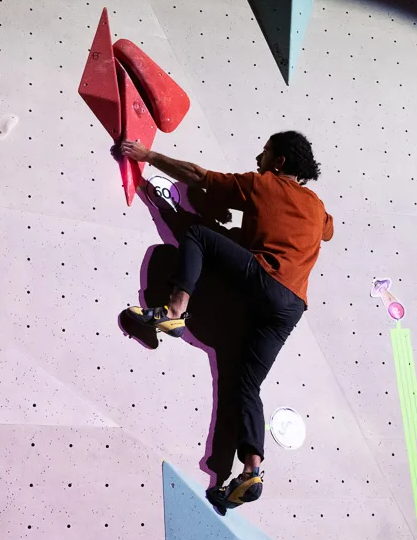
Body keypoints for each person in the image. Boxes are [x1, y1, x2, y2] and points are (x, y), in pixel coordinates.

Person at [120, 130, 333, 513]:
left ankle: (173, 312)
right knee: (246, 386)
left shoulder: (262, 184)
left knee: (199, 235)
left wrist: (148, 156)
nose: (258, 158)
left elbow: (199, 176)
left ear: (279, 161)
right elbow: (329, 230)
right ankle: (250, 469)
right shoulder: (317, 208)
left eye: (265, 153)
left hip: (265, 280)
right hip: (291, 307)